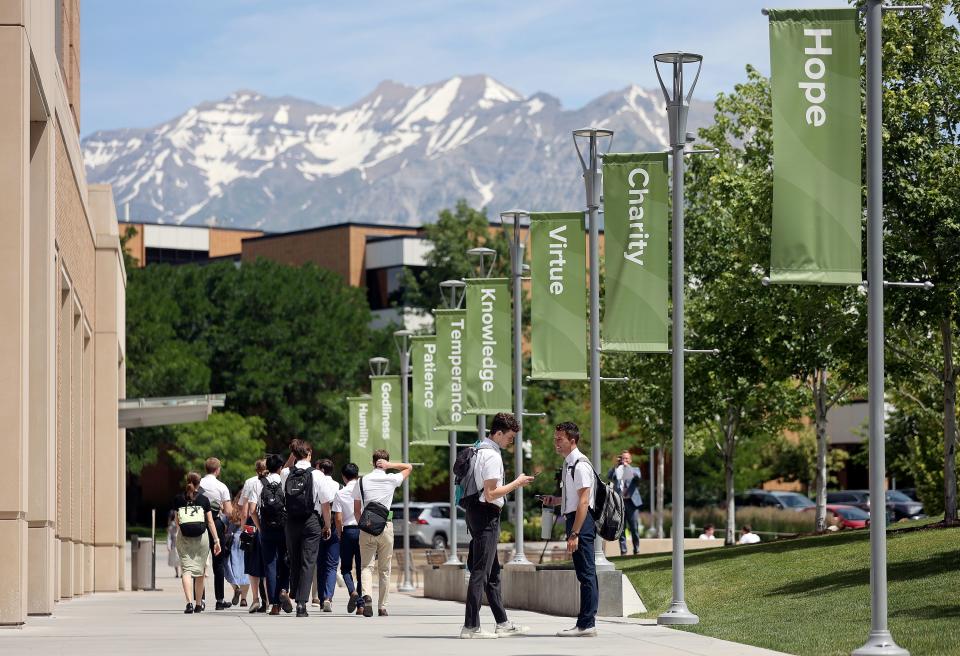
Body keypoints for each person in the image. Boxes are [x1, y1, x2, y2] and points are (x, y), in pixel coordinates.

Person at [459, 412, 533, 639]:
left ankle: (502, 622)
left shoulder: (479, 449)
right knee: (480, 571)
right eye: (510, 437)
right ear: (498, 433)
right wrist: (517, 483)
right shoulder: (491, 456)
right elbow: (491, 493)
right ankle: (471, 627)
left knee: (492, 573)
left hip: (475, 512)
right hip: (486, 514)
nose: (511, 441)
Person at [541, 422, 598, 637]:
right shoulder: (568, 464)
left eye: (559, 439)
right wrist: (556, 500)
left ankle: (586, 624)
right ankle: (586, 623)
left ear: (572, 440)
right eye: (555, 439)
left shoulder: (580, 465)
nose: (555, 443)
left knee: (586, 574)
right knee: (585, 574)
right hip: (575, 518)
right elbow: (574, 499)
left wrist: (574, 533)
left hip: (581, 522)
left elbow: (584, 502)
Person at [352, 449, 411, 618]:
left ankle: (367, 596)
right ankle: (382, 607)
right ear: (385, 462)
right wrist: (391, 466)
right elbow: (409, 467)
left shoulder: (361, 481)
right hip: (386, 527)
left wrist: (362, 525)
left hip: (367, 527)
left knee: (366, 567)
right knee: (384, 569)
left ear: (372, 462)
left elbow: (357, 510)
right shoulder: (391, 479)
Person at [282, 439, 333, 618]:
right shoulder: (317, 475)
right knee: (308, 561)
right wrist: (327, 524)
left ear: (294, 455)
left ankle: (292, 592)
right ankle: (302, 604)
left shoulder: (286, 473)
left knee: (294, 559)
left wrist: (292, 457)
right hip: (311, 520)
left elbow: (284, 469)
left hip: (291, 521)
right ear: (309, 454)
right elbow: (325, 504)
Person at [252, 454, 294, 615]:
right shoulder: (286, 479)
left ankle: (274, 605)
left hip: (266, 528)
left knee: (269, 565)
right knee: (285, 562)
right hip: (284, 527)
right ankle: (284, 590)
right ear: (280, 466)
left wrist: (260, 528)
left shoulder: (259, 483)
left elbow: (252, 510)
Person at [174, 472, 221, 614]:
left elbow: (177, 522)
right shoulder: (204, 500)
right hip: (202, 539)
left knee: (186, 570)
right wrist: (217, 540)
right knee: (200, 571)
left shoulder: (178, 499)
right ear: (199, 484)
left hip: (184, 538)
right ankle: (199, 604)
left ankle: (189, 603)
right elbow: (210, 522)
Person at [198, 457, 233, 610]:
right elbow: (229, 511)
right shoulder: (221, 486)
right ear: (218, 470)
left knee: (199, 562)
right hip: (216, 524)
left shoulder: (198, 484)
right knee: (218, 563)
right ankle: (220, 599)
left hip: (199, 523)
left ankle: (200, 599)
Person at [334, 462, 365, 615]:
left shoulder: (340, 493)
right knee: (361, 570)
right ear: (357, 475)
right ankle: (360, 606)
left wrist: (340, 533)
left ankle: (352, 592)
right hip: (362, 531)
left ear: (343, 477)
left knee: (345, 568)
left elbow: (338, 518)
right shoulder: (363, 490)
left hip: (348, 531)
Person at [239, 459, 268, 613]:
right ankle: (269, 600)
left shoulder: (250, 482)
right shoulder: (273, 480)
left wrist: (243, 528)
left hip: (251, 525)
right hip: (269, 524)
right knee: (268, 563)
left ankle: (255, 598)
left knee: (252, 563)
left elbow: (244, 510)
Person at [314, 458, 341, 613]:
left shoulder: (317, 485)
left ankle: (322, 596)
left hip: (318, 525)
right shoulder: (339, 486)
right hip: (335, 526)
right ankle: (328, 597)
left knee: (320, 563)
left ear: (322, 470)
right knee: (332, 564)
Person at [607, 450, 643, 556]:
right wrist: (616, 465)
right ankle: (623, 551)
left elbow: (638, 477)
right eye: (623, 458)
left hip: (631, 503)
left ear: (630, 460)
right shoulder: (617, 470)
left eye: (627, 458)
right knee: (621, 528)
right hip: (620, 502)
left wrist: (628, 467)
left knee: (634, 527)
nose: (624, 460)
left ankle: (636, 549)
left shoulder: (635, 470)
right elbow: (610, 476)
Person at [223, 497, 250, 606]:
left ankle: (236, 588)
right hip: (247, 540)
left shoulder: (231, 513)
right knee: (246, 570)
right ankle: (244, 599)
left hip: (232, 542)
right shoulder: (249, 512)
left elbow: (224, 527)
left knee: (229, 567)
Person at [166, 510, 180, 578]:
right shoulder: (171, 526)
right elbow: (169, 537)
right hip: (174, 545)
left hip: (181, 544)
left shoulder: (181, 524)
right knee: (175, 560)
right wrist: (168, 545)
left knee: (182, 560)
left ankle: (183, 573)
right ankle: (177, 573)